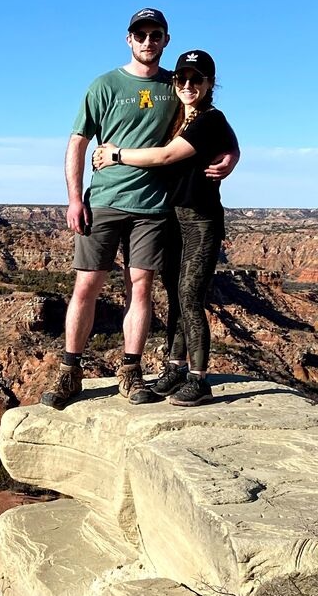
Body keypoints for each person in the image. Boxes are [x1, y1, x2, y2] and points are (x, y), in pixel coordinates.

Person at [41, 9, 238, 409]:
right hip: (105, 201)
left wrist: (234, 154)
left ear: (166, 40)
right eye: (141, 34)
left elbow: (217, 124)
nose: (148, 41)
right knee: (86, 286)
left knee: (141, 287)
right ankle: (70, 370)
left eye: (156, 34)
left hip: (153, 207)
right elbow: (77, 142)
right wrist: (74, 197)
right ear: (128, 39)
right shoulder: (105, 85)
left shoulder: (178, 83)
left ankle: (130, 373)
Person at [92, 50, 235, 406]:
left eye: (196, 79)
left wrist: (115, 155)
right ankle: (174, 368)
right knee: (174, 295)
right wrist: (235, 151)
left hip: (200, 219)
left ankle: (199, 379)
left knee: (190, 296)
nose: (188, 85)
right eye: (182, 78)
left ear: (209, 83)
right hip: (172, 217)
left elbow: (166, 156)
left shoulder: (210, 120)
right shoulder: (178, 115)